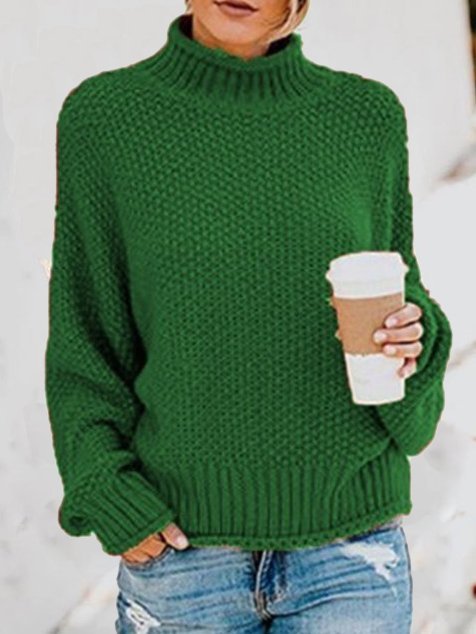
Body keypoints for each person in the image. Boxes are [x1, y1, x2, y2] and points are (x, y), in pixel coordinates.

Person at [45, 0, 453, 631]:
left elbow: (400, 304)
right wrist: (104, 487)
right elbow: (85, 333)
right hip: (184, 564)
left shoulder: (365, 118)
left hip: (350, 559)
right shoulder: (106, 120)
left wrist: (410, 339)